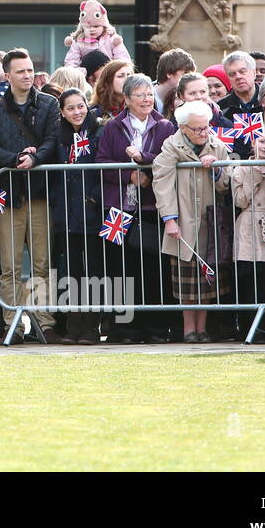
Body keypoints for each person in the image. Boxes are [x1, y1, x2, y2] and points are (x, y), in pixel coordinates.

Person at [0, 48, 60, 342]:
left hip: (39, 194)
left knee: (42, 262)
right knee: (9, 265)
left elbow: (53, 141)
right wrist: (15, 159)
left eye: (30, 70)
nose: (27, 75)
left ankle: (44, 322)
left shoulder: (50, 104)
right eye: (21, 71)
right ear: (8, 75)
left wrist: (36, 158)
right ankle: (12, 323)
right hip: (9, 195)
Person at [94, 72, 175, 343]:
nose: (146, 99)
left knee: (153, 268)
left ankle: (154, 328)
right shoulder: (112, 127)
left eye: (149, 94)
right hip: (118, 209)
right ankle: (123, 329)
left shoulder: (165, 127)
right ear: (126, 99)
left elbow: (168, 158)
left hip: (151, 207)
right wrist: (129, 175)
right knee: (120, 269)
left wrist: (144, 161)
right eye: (139, 95)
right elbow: (101, 162)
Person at [153, 101, 232, 343]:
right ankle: (189, 330)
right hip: (183, 223)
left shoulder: (216, 145)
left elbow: (226, 182)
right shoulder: (170, 146)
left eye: (206, 128)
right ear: (184, 128)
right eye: (197, 129)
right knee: (186, 285)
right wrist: (169, 219)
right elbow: (162, 182)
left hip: (209, 223)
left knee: (207, 282)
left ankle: (203, 329)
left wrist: (215, 170)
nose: (203, 133)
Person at [48, 87, 105, 344]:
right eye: (70, 108)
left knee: (93, 271)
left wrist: (93, 197)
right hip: (66, 215)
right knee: (70, 273)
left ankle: (92, 327)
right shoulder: (58, 136)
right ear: (62, 112)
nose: (77, 112)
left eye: (80, 106)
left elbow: (103, 165)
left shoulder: (99, 131)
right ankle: (73, 327)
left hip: (91, 213)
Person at [231, 131, 265, 342]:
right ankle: (249, 330)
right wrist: (255, 175)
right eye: (262, 141)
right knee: (249, 280)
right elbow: (240, 201)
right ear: (253, 143)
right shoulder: (242, 168)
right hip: (248, 226)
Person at [62, 0, 130, 68]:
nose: (92, 29)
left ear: (104, 26)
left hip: (108, 75)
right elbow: (71, 62)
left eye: (96, 26)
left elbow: (122, 60)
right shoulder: (78, 42)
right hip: (86, 76)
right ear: (82, 28)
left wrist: (111, 73)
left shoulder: (111, 39)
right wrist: (82, 73)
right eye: (88, 27)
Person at [218, 51, 262, 120]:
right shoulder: (220, 108)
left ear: (254, 73)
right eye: (232, 74)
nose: (238, 77)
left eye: (242, 71)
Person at [153, 48, 196, 113]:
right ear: (169, 73)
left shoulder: (188, 97)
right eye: (185, 74)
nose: (190, 79)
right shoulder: (144, 95)